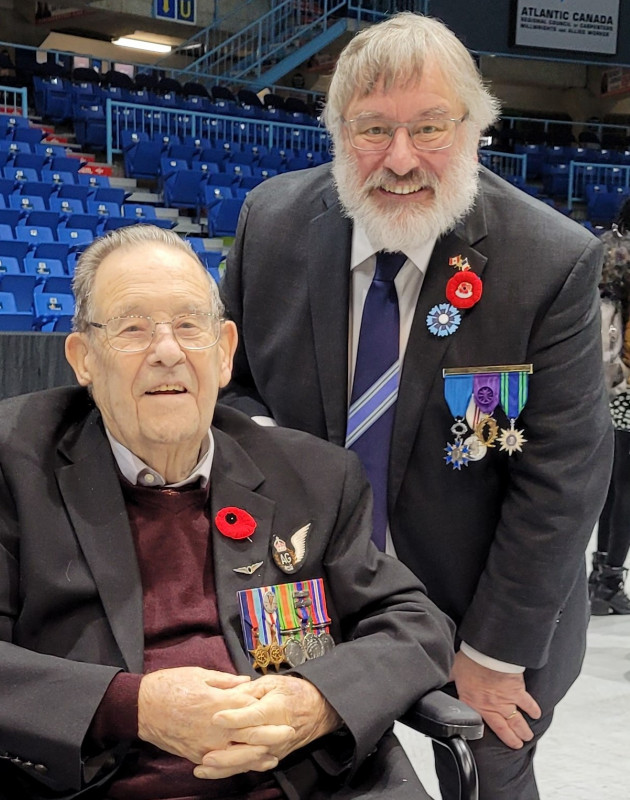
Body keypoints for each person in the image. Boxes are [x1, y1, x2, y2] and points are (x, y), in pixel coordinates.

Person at [0, 225, 456, 800]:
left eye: (190, 326)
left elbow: (417, 623)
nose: (167, 352)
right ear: (84, 358)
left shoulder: (313, 474)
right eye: (133, 329)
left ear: (226, 351)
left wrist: (317, 699)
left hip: (299, 782)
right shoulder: (11, 458)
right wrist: (135, 706)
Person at [220, 12, 612, 800]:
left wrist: (495, 656)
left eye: (429, 127)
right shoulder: (272, 223)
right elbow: (234, 386)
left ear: (477, 128)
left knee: (488, 779)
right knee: (298, 776)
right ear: (335, 131)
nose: (400, 160)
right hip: (305, 591)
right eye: (372, 129)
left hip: (487, 609)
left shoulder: (551, 262)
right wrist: (264, 452)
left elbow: (561, 483)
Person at [592, 199, 630, 615]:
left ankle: (600, 575)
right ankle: (610, 581)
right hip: (624, 383)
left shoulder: (604, 246)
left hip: (599, 385)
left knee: (609, 487)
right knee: (626, 491)